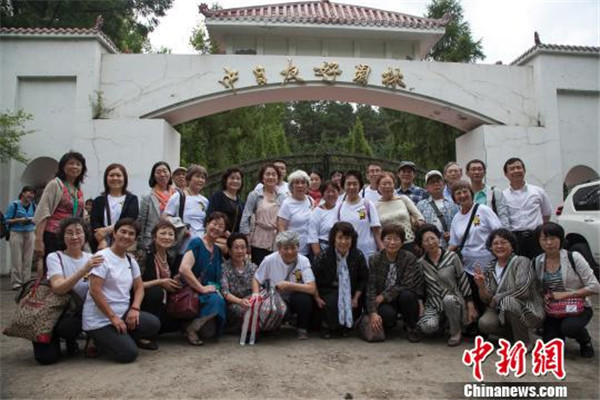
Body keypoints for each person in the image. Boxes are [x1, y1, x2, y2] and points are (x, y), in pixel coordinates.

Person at [83, 218, 161, 363]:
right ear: (114, 233)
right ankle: (97, 338)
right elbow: (95, 291)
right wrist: (112, 317)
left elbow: (139, 287)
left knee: (153, 324)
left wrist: (135, 308)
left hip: (122, 313)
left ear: (135, 239)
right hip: (100, 319)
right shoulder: (102, 257)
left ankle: (118, 336)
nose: (126, 236)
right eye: (123, 232)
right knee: (128, 354)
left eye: (131, 234)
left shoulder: (130, 260)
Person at [33, 217, 104, 364]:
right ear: (62, 236)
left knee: (70, 327)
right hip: (54, 311)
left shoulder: (93, 258)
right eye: (69, 233)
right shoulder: (55, 257)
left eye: (79, 232)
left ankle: (77, 339)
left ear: (85, 235)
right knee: (45, 359)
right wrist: (85, 269)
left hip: (77, 311)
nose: (75, 237)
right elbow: (59, 288)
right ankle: (54, 336)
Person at [533, 222, 600, 357]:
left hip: (578, 308)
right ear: (539, 241)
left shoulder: (574, 257)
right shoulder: (537, 261)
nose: (549, 243)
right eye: (544, 239)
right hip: (553, 310)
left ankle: (585, 340)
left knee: (569, 328)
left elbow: (595, 286)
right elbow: (537, 288)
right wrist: (543, 296)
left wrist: (566, 295)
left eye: (553, 238)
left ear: (561, 239)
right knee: (551, 351)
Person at [474, 229, 544, 346]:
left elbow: (523, 290)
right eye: (495, 243)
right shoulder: (490, 267)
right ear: (490, 248)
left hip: (527, 308)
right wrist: (481, 286)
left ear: (512, 246)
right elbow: (487, 300)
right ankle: (514, 335)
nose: (499, 246)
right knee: (484, 323)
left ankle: (524, 343)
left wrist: (498, 298)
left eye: (504, 242)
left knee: (508, 301)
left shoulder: (521, 261)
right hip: (501, 310)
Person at [415, 224, 477, 346]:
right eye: (426, 240)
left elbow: (463, 280)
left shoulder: (452, 257)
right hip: (434, 303)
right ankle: (443, 322)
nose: (431, 242)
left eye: (433, 238)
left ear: (438, 238)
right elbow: (420, 287)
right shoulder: (421, 263)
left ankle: (455, 332)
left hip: (453, 299)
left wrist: (470, 305)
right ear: (421, 244)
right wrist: (421, 305)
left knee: (448, 300)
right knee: (427, 327)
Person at [448, 180, 502, 315]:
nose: (462, 195)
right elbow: (454, 243)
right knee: (475, 298)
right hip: (467, 266)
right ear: (454, 198)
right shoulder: (456, 218)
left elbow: (499, 233)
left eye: (465, 191)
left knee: (489, 296)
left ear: (471, 193)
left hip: (489, 264)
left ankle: (493, 323)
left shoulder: (483, 210)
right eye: (458, 193)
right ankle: (478, 328)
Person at [252, 231, 316, 339]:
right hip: (276, 297)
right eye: (285, 248)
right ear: (279, 248)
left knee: (304, 300)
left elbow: (312, 288)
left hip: (295, 296)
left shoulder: (303, 260)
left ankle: (302, 328)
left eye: (293, 248)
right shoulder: (269, 260)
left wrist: (289, 285)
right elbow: (256, 279)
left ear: (298, 247)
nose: (290, 252)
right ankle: (274, 325)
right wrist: (255, 294)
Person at [365, 224, 423, 342]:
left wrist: (384, 296)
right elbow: (370, 287)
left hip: (400, 297)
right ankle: (387, 324)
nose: (392, 243)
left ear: (402, 242)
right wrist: (372, 312)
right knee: (387, 316)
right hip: (384, 301)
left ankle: (411, 327)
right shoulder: (375, 259)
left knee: (408, 295)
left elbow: (407, 284)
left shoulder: (409, 258)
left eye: (396, 239)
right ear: (382, 240)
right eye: (388, 238)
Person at [178, 212, 229, 345]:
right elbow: (184, 269)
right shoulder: (196, 243)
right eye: (214, 224)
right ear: (206, 224)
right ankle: (191, 328)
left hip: (210, 291)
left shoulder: (217, 250)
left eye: (221, 226)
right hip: (196, 291)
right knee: (217, 301)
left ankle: (194, 323)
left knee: (209, 334)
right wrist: (201, 288)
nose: (217, 228)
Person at [312, 222, 368, 338]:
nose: (343, 242)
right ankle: (327, 326)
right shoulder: (325, 255)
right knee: (334, 300)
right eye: (340, 238)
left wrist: (356, 298)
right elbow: (313, 278)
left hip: (351, 290)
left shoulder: (357, 255)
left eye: (347, 238)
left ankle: (344, 326)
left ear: (352, 240)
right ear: (333, 239)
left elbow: (363, 278)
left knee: (351, 299)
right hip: (328, 289)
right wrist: (317, 297)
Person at [33, 151, 86, 262]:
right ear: (63, 166)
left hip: (73, 237)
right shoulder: (55, 184)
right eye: (71, 163)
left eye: (78, 164)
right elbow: (44, 211)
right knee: (55, 270)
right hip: (54, 236)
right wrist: (38, 240)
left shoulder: (78, 189)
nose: (74, 166)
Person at [140, 220, 183, 339]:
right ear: (154, 236)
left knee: (178, 323)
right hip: (142, 300)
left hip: (162, 303)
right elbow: (134, 283)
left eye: (170, 234)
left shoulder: (169, 257)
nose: (167, 237)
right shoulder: (144, 254)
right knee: (156, 292)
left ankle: (154, 327)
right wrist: (160, 282)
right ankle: (143, 333)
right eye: (163, 233)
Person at [502, 157, 552, 258]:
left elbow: (546, 214)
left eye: (518, 167)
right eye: (512, 169)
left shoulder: (538, 191)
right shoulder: (503, 195)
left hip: (536, 237)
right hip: (515, 239)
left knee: (539, 266)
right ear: (506, 174)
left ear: (524, 171)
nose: (516, 171)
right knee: (519, 269)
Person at [240, 163, 287, 266]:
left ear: (278, 178)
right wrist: (246, 240)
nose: (270, 177)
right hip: (258, 239)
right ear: (262, 177)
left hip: (276, 240)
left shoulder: (282, 197)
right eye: (267, 174)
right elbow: (245, 217)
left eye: (274, 174)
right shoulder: (255, 195)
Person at [90, 163, 139, 252]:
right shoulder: (98, 200)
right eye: (111, 175)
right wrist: (101, 241)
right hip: (101, 245)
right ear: (106, 178)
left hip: (123, 243)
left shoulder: (132, 199)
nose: (115, 178)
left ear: (124, 179)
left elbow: (129, 220)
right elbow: (94, 223)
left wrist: (106, 230)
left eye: (118, 175)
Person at [164, 165, 210, 255]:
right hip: (184, 245)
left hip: (201, 245)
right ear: (189, 178)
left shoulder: (205, 201)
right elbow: (165, 217)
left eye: (203, 178)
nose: (200, 180)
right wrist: (180, 227)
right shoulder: (178, 196)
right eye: (197, 176)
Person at [376, 171, 424, 254]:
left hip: (409, 244)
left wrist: (416, 224)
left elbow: (420, 218)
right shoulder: (374, 206)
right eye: (384, 184)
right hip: (389, 247)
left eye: (389, 183)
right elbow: (375, 229)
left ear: (394, 185)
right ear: (378, 187)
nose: (387, 186)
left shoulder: (403, 199)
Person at [338, 170, 382, 260]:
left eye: (355, 184)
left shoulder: (367, 205)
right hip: (347, 253)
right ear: (343, 185)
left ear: (360, 185)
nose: (351, 187)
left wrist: (383, 251)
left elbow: (376, 231)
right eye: (348, 184)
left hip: (368, 253)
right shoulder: (339, 207)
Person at [220, 233, 258, 333]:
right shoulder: (224, 268)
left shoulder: (253, 267)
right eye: (236, 247)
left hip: (251, 300)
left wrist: (252, 299)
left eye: (243, 247)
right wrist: (240, 301)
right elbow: (225, 292)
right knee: (242, 311)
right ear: (229, 250)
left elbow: (257, 288)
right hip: (234, 303)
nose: (240, 251)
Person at [137, 161, 175, 256]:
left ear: (170, 174)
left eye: (165, 171)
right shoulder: (148, 197)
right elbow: (142, 221)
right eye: (158, 172)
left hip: (172, 242)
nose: (162, 174)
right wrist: (141, 244)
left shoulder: (177, 195)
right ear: (153, 176)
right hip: (151, 241)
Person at [417, 170, 459, 249]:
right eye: (432, 182)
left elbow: (460, 225)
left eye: (438, 181)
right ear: (427, 187)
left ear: (443, 184)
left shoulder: (454, 204)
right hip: (428, 249)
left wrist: (452, 235)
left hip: (449, 248)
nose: (436, 184)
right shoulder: (421, 205)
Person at [5, 186, 36, 290]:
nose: (30, 195)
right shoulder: (14, 205)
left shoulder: (34, 206)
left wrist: (32, 220)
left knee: (28, 258)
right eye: (28, 192)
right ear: (22, 193)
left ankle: (26, 281)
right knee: (16, 259)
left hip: (30, 232)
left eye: (32, 193)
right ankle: (16, 283)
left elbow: (37, 218)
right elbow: (6, 220)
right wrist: (19, 220)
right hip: (16, 233)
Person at [277, 170, 314, 256]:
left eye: (303, 182)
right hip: (292, 249)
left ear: (307, 185)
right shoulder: (287, 203)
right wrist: (286, 246)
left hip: (309, 248)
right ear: (291, 186)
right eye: (296, 183)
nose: (300, 185)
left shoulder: (310, 200)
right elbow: (281, 227)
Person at [465, 159, 509, 228]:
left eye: (480, 169)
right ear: (467, 173)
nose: (477, 172)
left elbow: (503, 216)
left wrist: (504, 236)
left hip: (492, 234)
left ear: (484, 172)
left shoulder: (495, 193)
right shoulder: (464, 195)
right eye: (473, 169)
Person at [307, 180, 340, 257]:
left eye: (333, 191)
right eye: (328, 192)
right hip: (323, 249)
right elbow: (313, 236)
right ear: (322, 194)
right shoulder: (316, 212)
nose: (331, 194)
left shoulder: (342, 207)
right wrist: (319, 256)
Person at [207, 167, 244, 233]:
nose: (235, 181)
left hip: (232, 239)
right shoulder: (218, 196)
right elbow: (210, 216)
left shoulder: (240, 202)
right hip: (217, 236)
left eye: (238, 179)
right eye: (232, 178)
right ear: (225, 180)